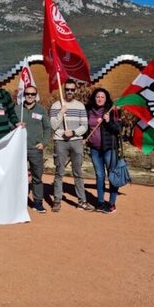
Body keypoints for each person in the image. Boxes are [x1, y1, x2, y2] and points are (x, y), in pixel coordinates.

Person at [49, 79, 93, 212]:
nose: (69, 92)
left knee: (78, 172)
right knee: (59, 172)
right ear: (63, 89)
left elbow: (84, 126)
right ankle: (57, 200)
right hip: (60, 141)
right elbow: (53, 125)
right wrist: (61, 112)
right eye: (67, 89)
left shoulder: (80, 106)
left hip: (76, 141)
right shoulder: (56, 106)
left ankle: (82, 201)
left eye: (72, 89)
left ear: (75, 90)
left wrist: (73, 132)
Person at [86, 88, 122, 214]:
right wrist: (84, 138)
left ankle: (111, 203)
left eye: (102, 97)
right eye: (97, 96)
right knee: (99, 175)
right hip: (95, 149)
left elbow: (118, 129)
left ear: (106, 98)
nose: (100, 99)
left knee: (112, 175)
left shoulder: (112, 110)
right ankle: (100, 202)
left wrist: (108, 121)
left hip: (109, 149)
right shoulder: (88, 110)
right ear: (94, 98)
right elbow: (86, 127)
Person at [20, 85, 51, 214]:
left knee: (37, 177)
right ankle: (19, 202)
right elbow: (10, 124)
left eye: (33, 94)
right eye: (27, 93)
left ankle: (38, 202)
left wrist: (43, 143)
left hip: (35, 148)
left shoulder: (41, 110)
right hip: (20, 149)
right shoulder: (17, 109)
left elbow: (47, 128)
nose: (30, 96)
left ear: (36, 95)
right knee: (19, 177)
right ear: (24, 94)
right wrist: (15, 125)